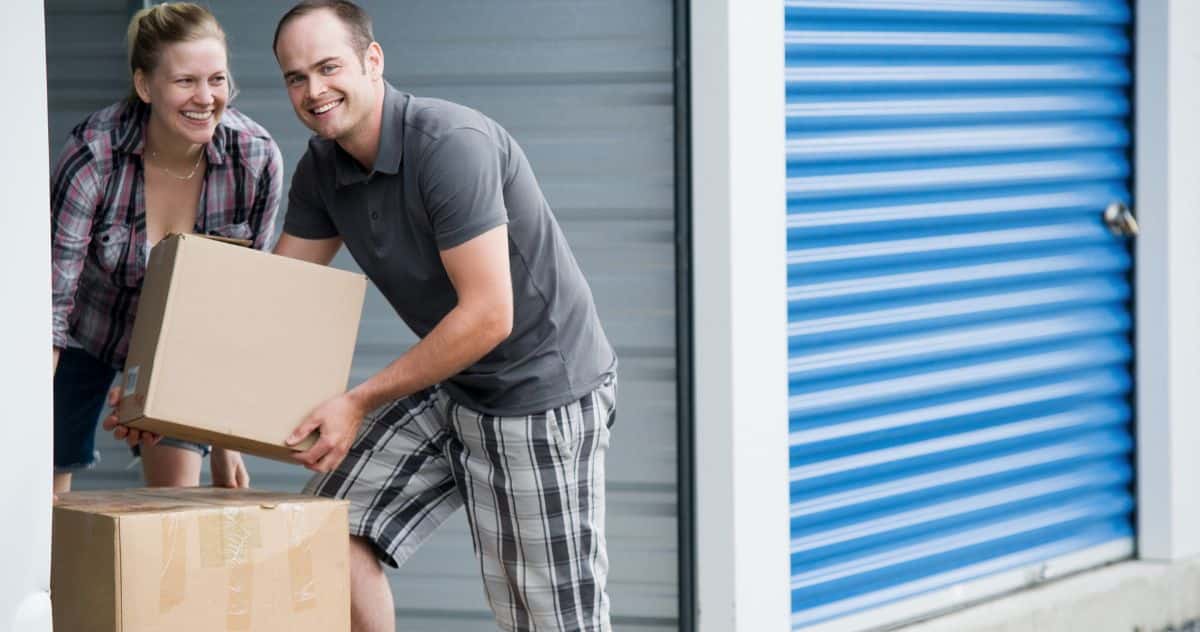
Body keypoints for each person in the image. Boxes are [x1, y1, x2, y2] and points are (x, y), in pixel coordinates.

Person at [269, 2, 618, 630]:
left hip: (537, 394)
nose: (313, 90)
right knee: (328, 525)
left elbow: (489, 317)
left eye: (328, 67)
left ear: (372, 61)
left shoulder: (449, 146)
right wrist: (169, 404)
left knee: (544, 615)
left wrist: (358, 401)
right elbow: (274, 292)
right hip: (454, 383)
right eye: (296, 77)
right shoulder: (323, 168)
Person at [53, 2, 282, 494]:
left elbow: (239, 304)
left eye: (217, 79)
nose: (205, 98)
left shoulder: (255, 159)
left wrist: (226, 439)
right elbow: (52, 303)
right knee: (42, 492)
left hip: (178, 342)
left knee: (178, 498)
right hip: (80, 333)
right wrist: (32, 426)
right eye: (185, 81)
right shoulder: (94, 155)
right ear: (144, 85)